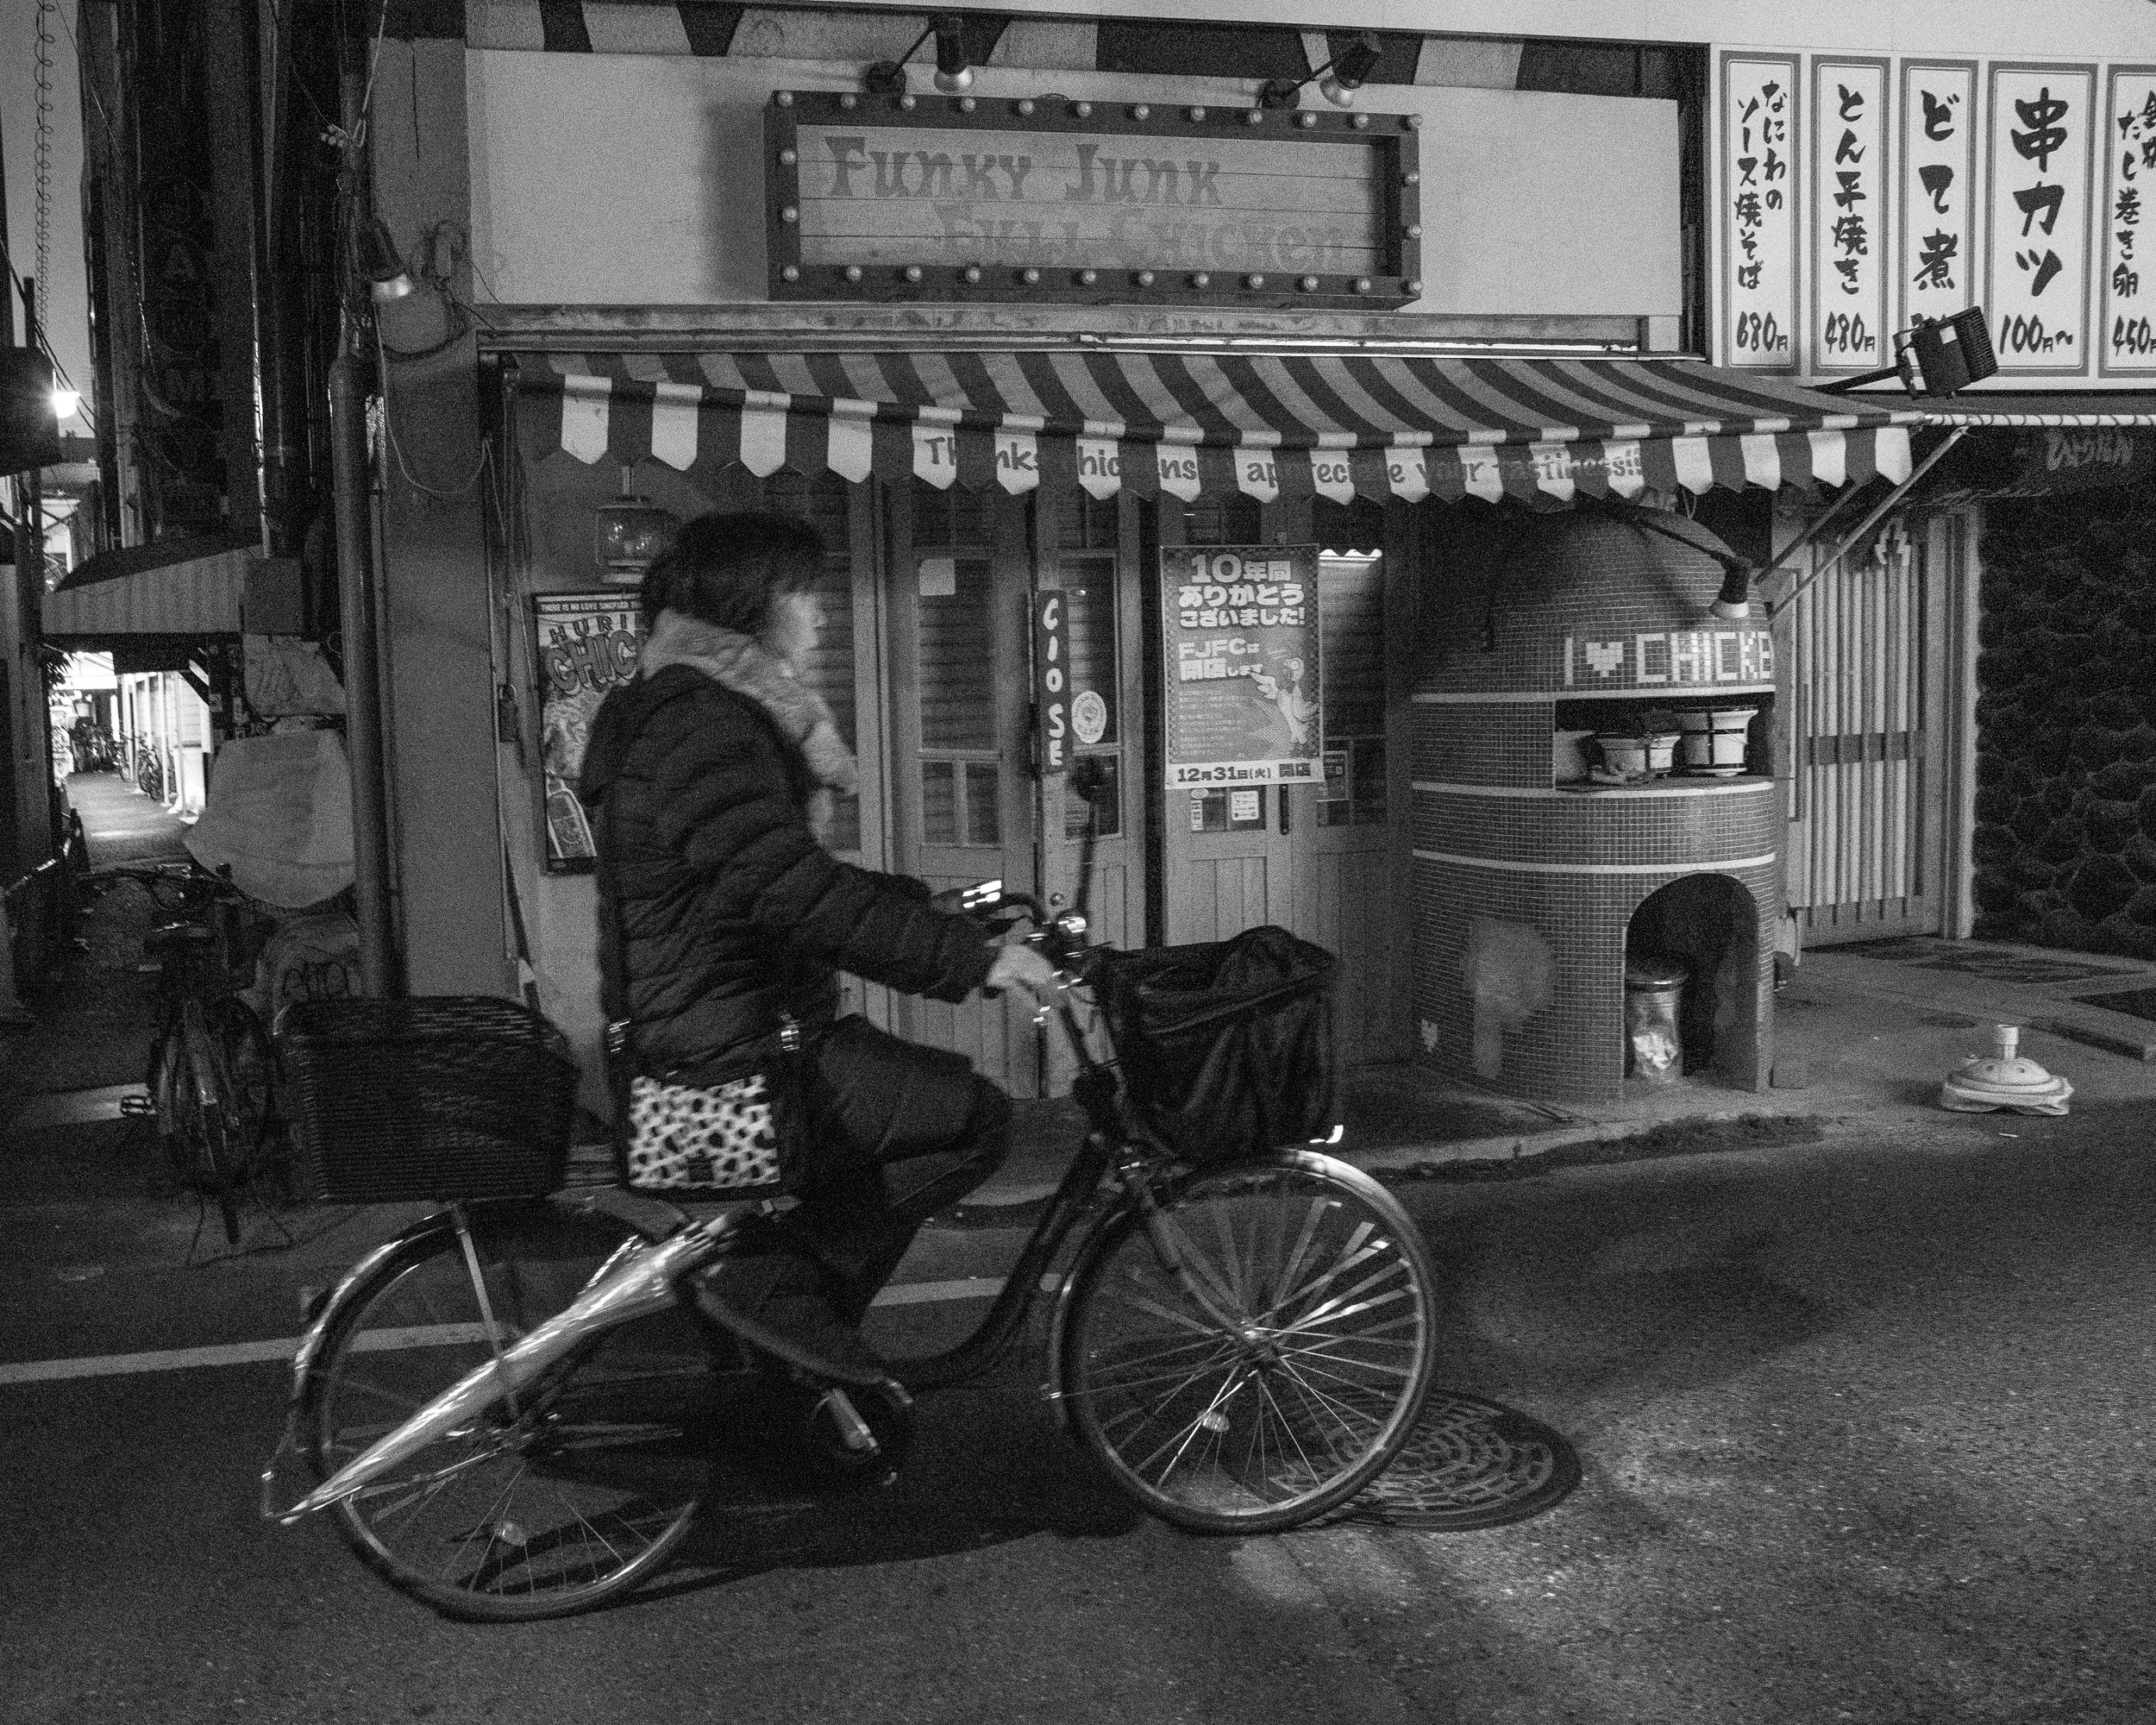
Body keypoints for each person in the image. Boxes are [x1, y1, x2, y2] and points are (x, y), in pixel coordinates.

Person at [578, 511, 1056, 1388]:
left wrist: (935, 910)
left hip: (732, 1037)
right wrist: (969, 959)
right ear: (751, 601)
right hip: (728, 1064)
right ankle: (778, 1299)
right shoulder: (702, 722)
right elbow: (784, 888)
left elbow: (770, 874)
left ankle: (792, 1359)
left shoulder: (696, 709)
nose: (823, 616)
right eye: (806, 593)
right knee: (973, 1119)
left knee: (922, 1122)